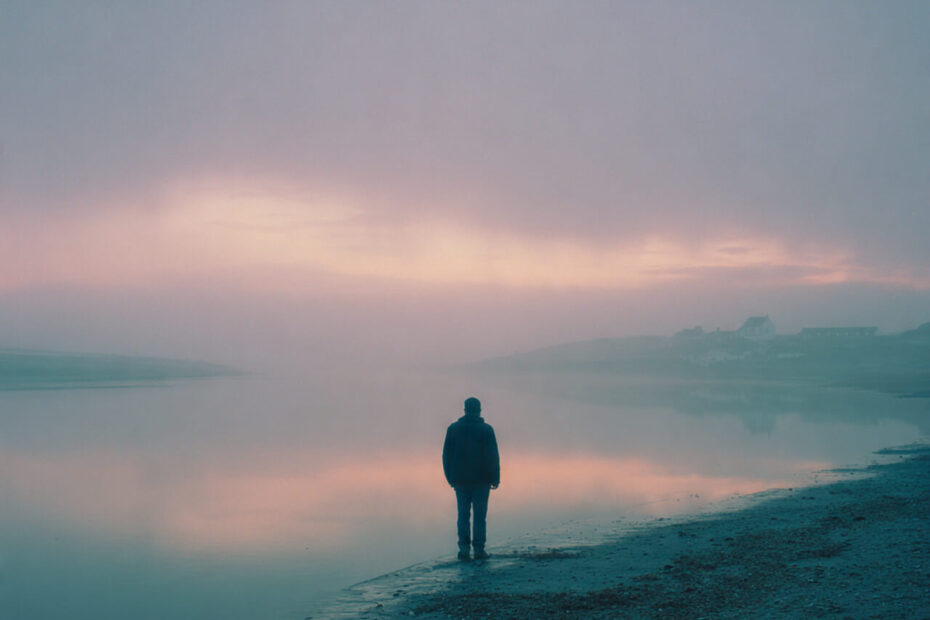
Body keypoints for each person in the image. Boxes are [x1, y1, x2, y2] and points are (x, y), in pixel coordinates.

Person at [442, 396, 500, 560]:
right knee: (480, 517)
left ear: (465, 409)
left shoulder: (453, 429)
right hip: (482, 480)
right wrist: (495, 478)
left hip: (460, 480)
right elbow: (492, 456)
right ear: (479, 410)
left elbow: (446, 455)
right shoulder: (487, 430)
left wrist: (450, 478)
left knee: (463, 515)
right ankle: (479, 550)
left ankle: (464, 550)